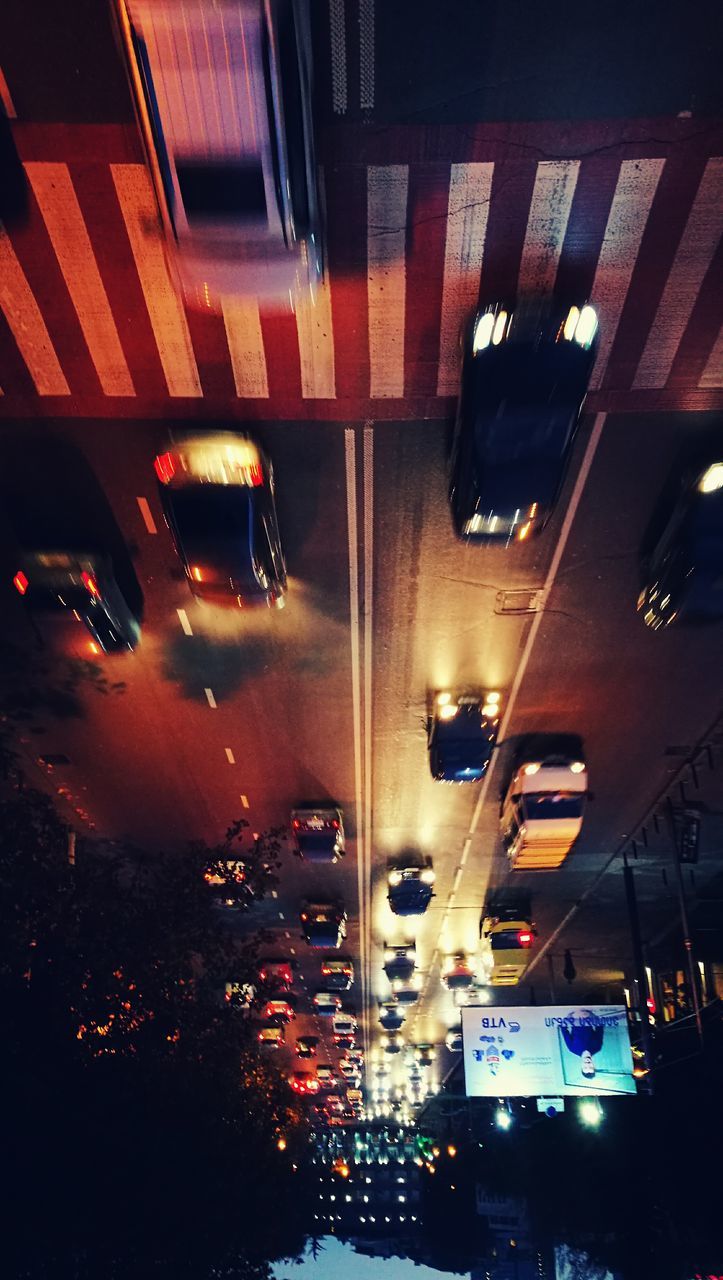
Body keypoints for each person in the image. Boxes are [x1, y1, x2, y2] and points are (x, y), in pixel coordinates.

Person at [560, 1008, 604, 1078]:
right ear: (594, 1066)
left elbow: (563, 1028)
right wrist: (590, 1014)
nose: (587, 1065)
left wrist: (571, 1015)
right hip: (587, 1009)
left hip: (572, 1012)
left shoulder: (572, 1049)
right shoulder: (597, 1047)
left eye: (585, 1068)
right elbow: (600, 1026)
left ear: (581, 1067)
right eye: (590, 1067)